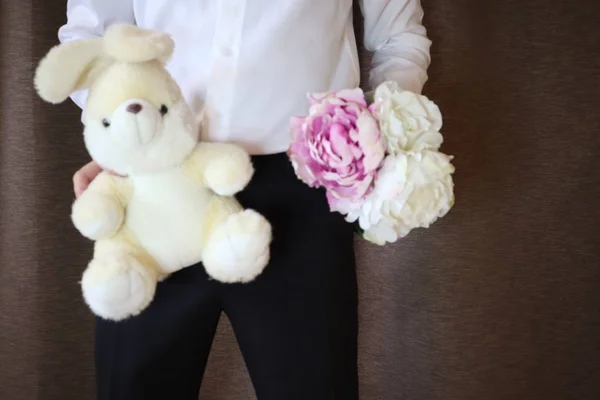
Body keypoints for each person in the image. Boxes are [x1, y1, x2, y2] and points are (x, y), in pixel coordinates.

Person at [58, 1, 431, 399]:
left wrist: (372, 137)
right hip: (154, 193)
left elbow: (400, 37)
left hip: (300, 196)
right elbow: (87, 40)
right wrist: (116, 132)